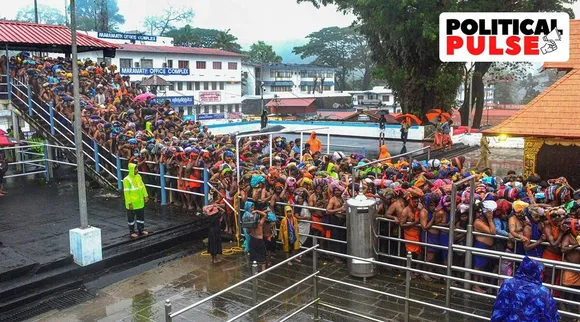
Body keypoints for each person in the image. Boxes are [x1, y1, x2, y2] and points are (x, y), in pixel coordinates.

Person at [490, 256, 559, 322]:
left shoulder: (508, 284)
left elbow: (499, 309)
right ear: (537, 272)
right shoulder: (543, 292)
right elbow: (551, 316)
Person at [123, 163, 149, 239]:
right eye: (135, 169)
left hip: (140, 202)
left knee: (140, 217)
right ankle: (132, 232)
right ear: (131, 170)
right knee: (131, 218)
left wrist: (145, 195)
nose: (137, 170)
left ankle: (141, 230)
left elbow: (142, 187)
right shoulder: (126, 179)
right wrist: (129, 203)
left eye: (137, 169)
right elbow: (126, 192)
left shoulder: (138, 177)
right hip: (132, 203)